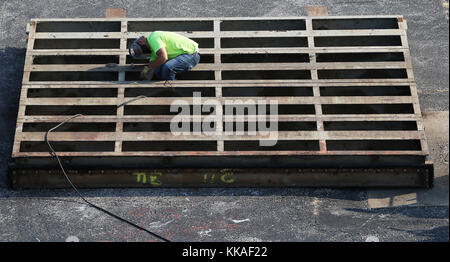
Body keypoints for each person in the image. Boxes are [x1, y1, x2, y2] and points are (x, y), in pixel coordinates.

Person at [129, 31, 200, 81]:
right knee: (158, 72)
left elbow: (163, 57)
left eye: (141, 51)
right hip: (182, 55)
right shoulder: (154, 52)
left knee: (167, 67)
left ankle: (171, 87)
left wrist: (148, 67)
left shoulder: (153, 37)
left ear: (141, 42)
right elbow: (153, 69)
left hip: (191, 54)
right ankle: (166, 82)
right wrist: (145, 80)